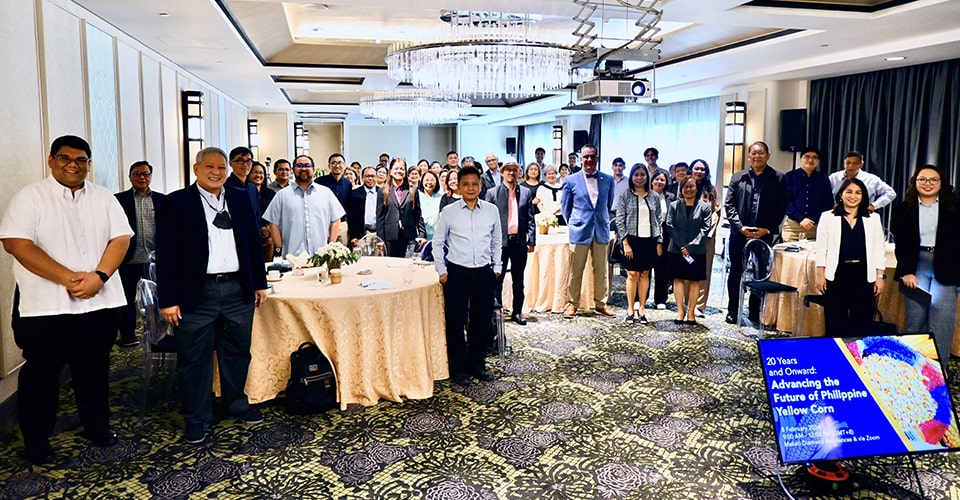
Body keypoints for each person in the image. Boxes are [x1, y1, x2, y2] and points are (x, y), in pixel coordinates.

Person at [1, 135, 132, 464]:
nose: (73, 165)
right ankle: (37, 441)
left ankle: (96, 426)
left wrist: (98, 277)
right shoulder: (31, 197)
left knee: (94, 370)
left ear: (89, 164)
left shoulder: (103, 197)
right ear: (51, 160)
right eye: (64, 158)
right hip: (45, 307)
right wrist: (69, 279)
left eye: (81, 160)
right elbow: (16, 243)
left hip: (98, 304)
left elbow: (121, 238)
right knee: (41, 377)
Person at [155, 146, 268, 444]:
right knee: (194, 357)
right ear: (196, 169)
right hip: (196, 293)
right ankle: (196, 416)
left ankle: (236, 404)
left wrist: (259, 283)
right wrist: (168, 299)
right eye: (210, 167)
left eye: (221, 168)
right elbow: (165, 255)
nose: (216, 172)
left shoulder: (241, 198)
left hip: (237, 289)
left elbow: (254, 242)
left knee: (237, 351)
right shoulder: (176, 203)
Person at [432, 166, 501, 386]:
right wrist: (441, 270)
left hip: (483, 271)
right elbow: (437, 242)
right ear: (458, 187)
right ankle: (459, 368)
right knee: (456, 321)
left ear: (480, 186)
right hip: (457, 273)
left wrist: (497, 266)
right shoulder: (449, 211)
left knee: (482, 322)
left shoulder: (491, 210)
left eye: (474, 184)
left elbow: (497, 240)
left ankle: (477, 364)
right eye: (466, 184)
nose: (470, 188)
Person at [892, 164, 960, 376]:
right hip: (915, 266)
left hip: (946, 268)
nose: (927, 183)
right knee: (915, 319)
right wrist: (906, 271)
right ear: (915, 182)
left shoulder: (954, 207)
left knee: (942, 320)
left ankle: (939, 367)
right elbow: (900, 243)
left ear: (941, 183)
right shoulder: (905, 208)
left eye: (933, 180)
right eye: (923, 179)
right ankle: (914, 366)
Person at [724, 141, 787, 324]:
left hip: (764, 234)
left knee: (760, 273)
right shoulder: (738, 177)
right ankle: (733, 310)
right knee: (736, 271)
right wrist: (740, 227)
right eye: (754, 153)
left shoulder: (778, 178)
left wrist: (767, 229)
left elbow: (781, 206)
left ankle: (754, 311)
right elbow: (729, 205)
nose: (757, 156)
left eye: (761, 153)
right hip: (739, 234)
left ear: (768, 156)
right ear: (749, 156)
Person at [814, 178, 887, 337]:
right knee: (835, 323)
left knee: (861, 324)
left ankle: (857, 359)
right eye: (849, 192)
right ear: (841, 194)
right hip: (836, 275)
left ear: (863, 196)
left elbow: (878, 249)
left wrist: (880, 277)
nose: (853, 196)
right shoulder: (827, 217)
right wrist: (820, 275)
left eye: (858, 193)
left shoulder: (873, 218)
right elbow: (821, 249)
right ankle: (836, 359)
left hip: (863, 276)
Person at [560, 144, 616, 318]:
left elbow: (608, 204)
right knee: (576, 270)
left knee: (601, 270)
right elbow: (565, 207)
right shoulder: (570, 180)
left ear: (597, 158)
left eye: (592, 156)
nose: (589, 160)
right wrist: (574, 223)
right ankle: (572, 303)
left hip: (600, 229)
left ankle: (601, 303)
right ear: (580, 159)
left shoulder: (608, 179)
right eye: (586, 157)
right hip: (579, 230)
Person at [115, 160, 166, 348]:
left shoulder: (162, 200)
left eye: (145, 174)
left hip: (155, 260)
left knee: (157, 298)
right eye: (137, 174)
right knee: (127, 299)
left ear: (151, 177)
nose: (142, 177)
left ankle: (160, 333)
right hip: (128, 259)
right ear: (130, 177)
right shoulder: (118, 200)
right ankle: (128, 335)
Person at [485, 159, 536, 325]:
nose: (511, 173)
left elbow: (530, 219)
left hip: (519, 242)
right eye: (508, 170)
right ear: (502, 172)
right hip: (499, 244)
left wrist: (531, 240)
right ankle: (497, 313)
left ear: (519, 172)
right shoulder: (492, 193)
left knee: (518, 280)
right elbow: (487, 221)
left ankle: (517, 312)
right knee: (496, 280)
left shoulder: (526, 193)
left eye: (515, 170)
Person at [264, 154, 344, 256]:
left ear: (314, 169)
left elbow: (336, 220)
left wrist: (330, 245)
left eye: (307, 165)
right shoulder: (282, 195)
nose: (303, 168)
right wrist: (280, 247)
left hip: (321, 256)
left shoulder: (326, 193)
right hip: (292, 257)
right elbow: (273, 223)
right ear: (293, 170)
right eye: (299, 166)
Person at [613, 164, 663, 324]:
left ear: (647, 177)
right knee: (632, 274)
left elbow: (658, 221)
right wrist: (625, 243)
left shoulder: (654, 196)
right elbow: (620, 221)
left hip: (649, 240)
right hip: (631, 240)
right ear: (632, 177)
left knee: (645, 274)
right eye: (636, 175)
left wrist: (659, 241)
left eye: (642, 174)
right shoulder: (625, 196)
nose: (639, 178)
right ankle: (630, 308)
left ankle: (642, 308)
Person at [667, 177, 713, 325]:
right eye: (685, 186)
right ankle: (680, 311)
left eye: (691, 186)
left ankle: (691, 312)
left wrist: (691, 247)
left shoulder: (705, 207)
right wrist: (682, 246)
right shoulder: (674, 205)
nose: (688, 189)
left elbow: (705, 229)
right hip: (677, 249)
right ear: (681, 189)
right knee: (678, 279)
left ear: (696, 188)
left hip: (697, 250)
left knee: (694, 281)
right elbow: (669, 225)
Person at [782, 147, 833, 242]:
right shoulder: (789, 176)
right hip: (793, 226)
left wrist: (814, 220)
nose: (810, 160)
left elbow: (828, 204)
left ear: (818, 161)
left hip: (816, 226)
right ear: (800, 159)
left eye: (814, 157)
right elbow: (785, 201)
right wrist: (801, 219)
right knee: (790, 255)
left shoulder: (824, 179)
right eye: (807, 157)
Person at [377, 158, 425, 258]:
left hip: (409, 236)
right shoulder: (383, 191)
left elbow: (418, 214)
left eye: (402, 169)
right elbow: (380, 217)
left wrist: (422, 235)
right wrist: (380, 239)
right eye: (396, 168)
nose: (399, 171)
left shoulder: (412, 190)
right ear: (390, 171)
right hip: (390, 237)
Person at [691, 159, 721, 316]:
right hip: (687, 236)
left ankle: (699, 305)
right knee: (687, 269)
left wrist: (706, 232)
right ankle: (687, 302)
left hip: (706, 237)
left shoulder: (712, 190)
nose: (699, 172)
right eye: (696, 168)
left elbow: (716, 213)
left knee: (704, 271)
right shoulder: (685, 186)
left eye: (702, 169)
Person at [828, 151, 897, 212]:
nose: (850, 166)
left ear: (861, 164)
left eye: (855, 163)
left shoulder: (871, 179)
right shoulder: (834, 178)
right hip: (837, 214)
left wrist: (874, 205)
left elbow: (891, 193)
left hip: (862, 215)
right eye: (848, 163)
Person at [649, 170, 675, 309]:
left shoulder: (670, 197)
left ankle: (660, 299)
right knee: (645, 267)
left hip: (666, 233)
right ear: (652, 180)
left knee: (662, 267)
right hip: (647, 232)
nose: (659, 182)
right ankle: (640, 298)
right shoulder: (645, 195)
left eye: (662, 180)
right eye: (657, 179)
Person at [315, 153, 352, 245]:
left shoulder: (348, 184)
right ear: (329, 166)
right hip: (324, 224)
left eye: (340, 163)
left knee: (342, 253)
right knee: (323, 252)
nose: (337, 166)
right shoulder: (319, 182)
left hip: (342, 224)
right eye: (334, 163)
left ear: (344, 165)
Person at [247, 161, 276, 260]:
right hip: (251, 231)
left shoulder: (270, 193)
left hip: (268, 232)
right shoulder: (243, 192)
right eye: (255, 172)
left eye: (261, 173)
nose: (258, 175)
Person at [346, 167, 379, 247]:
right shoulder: (354, 194)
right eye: (367, 176)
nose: (370, 178)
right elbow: (350, 217)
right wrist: (353, 236)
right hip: (361, 235)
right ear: (362, 178)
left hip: (378, 234)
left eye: (372, 176)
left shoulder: (383, 192)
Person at [225, 147, 260, 218]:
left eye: (248, 161)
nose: (245, 164)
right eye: (240, 160)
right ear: (230, 163)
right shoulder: (225, 188)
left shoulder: (252, 188)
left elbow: (257, 215)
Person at [419, 171, 444, 240]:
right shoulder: (417, 196)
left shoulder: (441, 196)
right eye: (426, 180)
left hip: (438, 236)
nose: (429, 182)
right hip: (422, 236)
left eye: (432, 180)